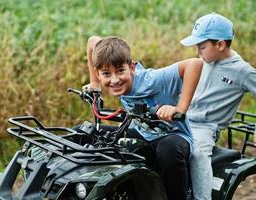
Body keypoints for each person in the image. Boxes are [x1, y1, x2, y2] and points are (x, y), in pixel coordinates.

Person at [84, 36, 203, 200]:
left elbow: (194, 64)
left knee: (168, 149)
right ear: (99, 73)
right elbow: (92, 42)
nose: (114, 80)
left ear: (131, 68)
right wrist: (94, 83)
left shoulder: (152, 80)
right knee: (85, 132)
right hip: (143, 133)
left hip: (174, 137)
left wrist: (180, 108)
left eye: (120, 71)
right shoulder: (110, 70)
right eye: (106, 74)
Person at [180, 12, 256, 200]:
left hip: (205, 127)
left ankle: (202, 197)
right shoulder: (204, 61)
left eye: (202, 47)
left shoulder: (242, 71)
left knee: (198, 154)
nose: (198, 53)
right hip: (183, 117)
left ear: (220, 45)